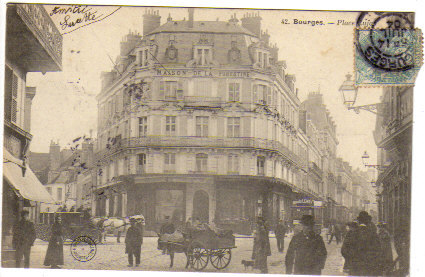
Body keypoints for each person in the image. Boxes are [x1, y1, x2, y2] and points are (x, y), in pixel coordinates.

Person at [342, 211, 382, 276]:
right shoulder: (373, 234)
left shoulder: (351, 233)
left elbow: (344, 250)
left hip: (354, 267)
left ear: (359, 221)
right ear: (368, 222)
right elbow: (378, 250)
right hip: (369, 268)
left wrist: (351, 259)